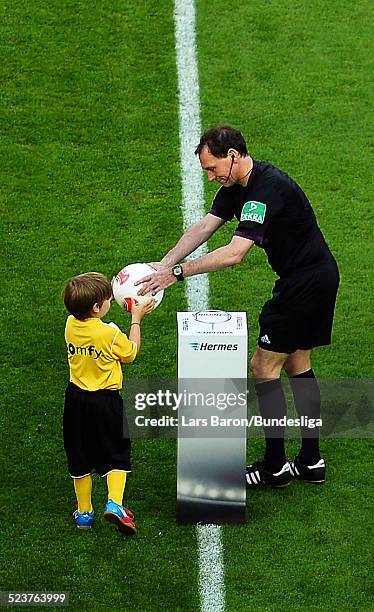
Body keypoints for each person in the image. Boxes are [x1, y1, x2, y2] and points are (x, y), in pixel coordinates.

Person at [137, 125, 340, 487]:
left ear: (232, 156)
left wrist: (178, 273)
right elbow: (203, 227)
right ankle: (311, 461)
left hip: (305, 284)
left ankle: (274, 466)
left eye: (213, 169)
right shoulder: (235, 186)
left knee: (263, 366)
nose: (212, 177)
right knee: (297, 364)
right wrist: (163, 264)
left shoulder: (264, 190)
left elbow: (234, 254)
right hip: (315, 277)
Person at [63, 272, 154, 532]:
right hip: (106, 402)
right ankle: (114, 504)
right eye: (107, 300)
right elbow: (131, 353)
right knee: (116, 451)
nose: (110, 302)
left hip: (76, 401)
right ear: (96, 308)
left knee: (79, 454)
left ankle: (84, 513)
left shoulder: (70, 324)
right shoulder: (110, 333)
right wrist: (136, 320)